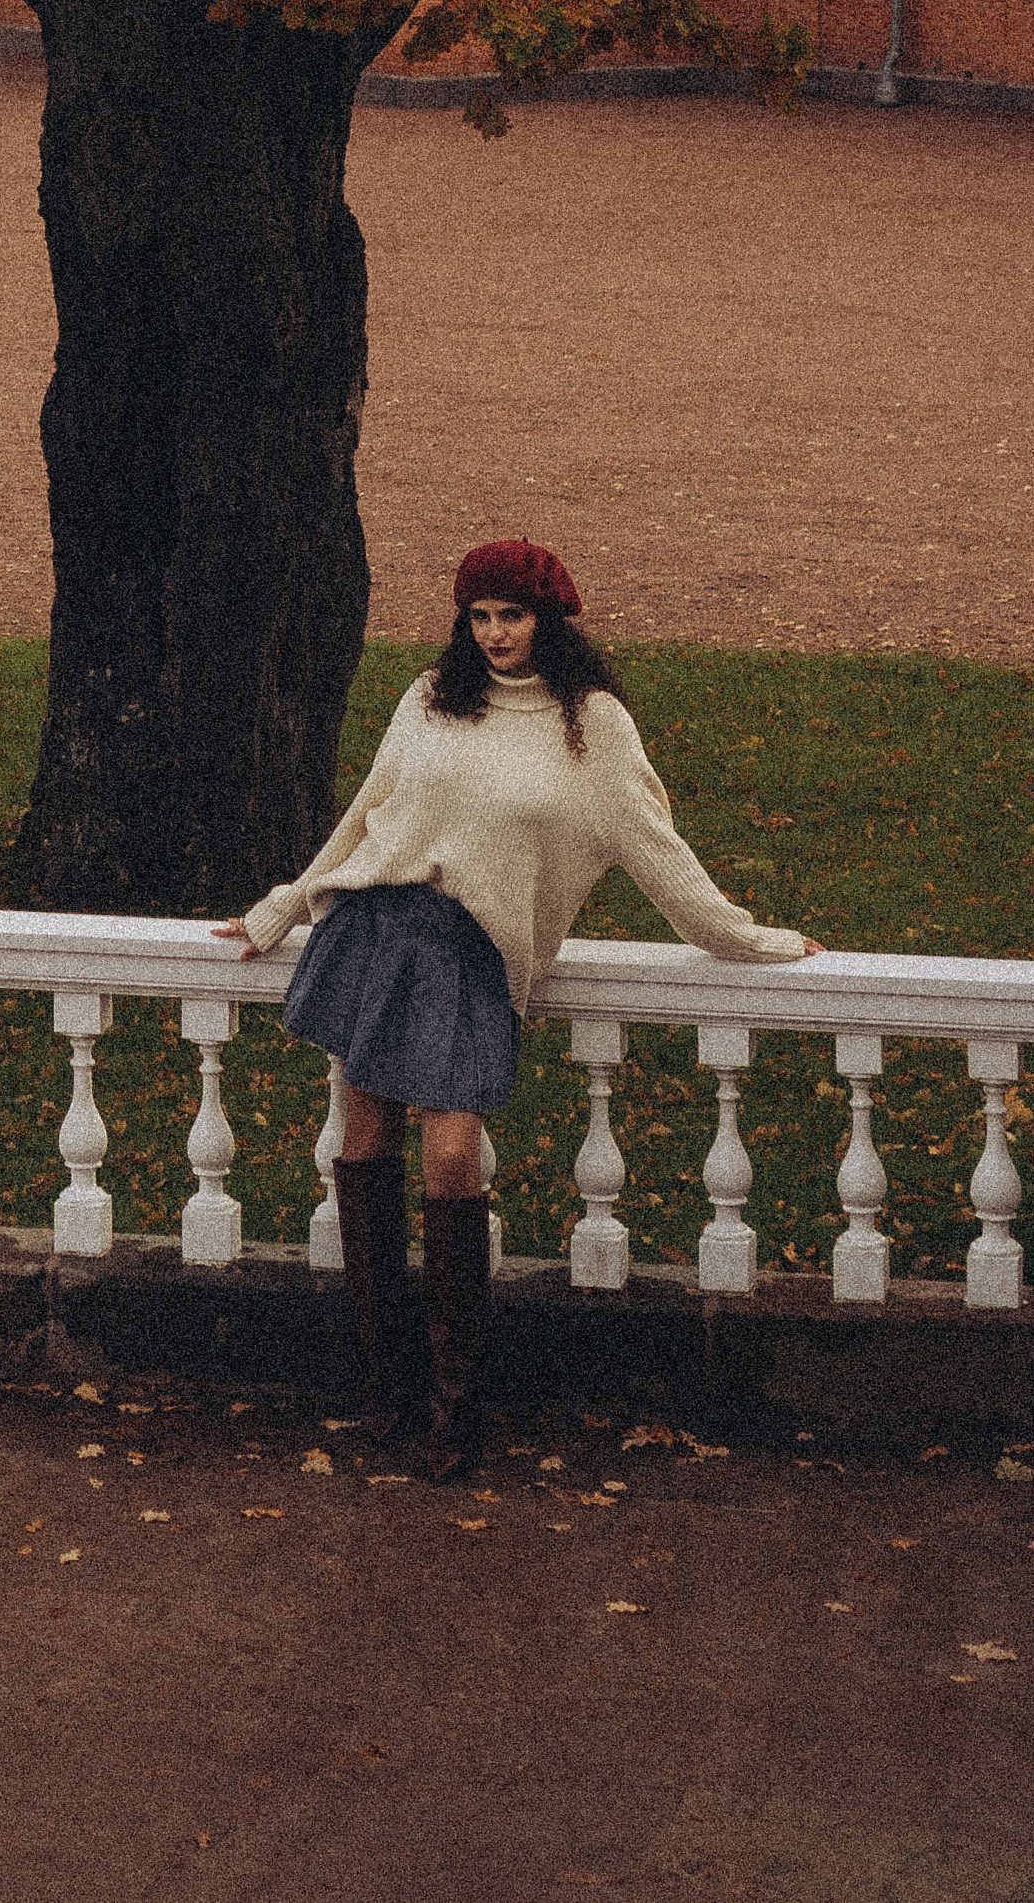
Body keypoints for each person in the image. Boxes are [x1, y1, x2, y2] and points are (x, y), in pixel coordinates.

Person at [217, 539, 820, 1481]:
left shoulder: (593, 726)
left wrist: (748, 938)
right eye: (479, 617)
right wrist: (279, 907)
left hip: (469, 953)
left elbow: (656, 851)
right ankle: (388, 1391)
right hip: (376, 928)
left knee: (452, 1159)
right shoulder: (427, 698)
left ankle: (458, 1406)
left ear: (550, 619)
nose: (494, 634)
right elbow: (364, 816)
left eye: (513, 615)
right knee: (362, 1143)